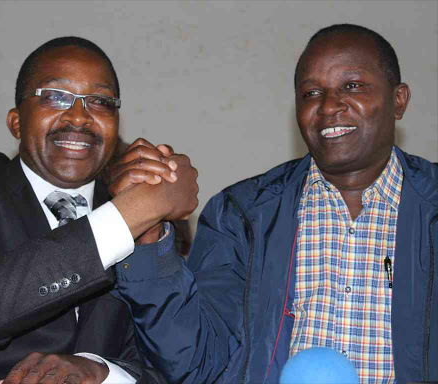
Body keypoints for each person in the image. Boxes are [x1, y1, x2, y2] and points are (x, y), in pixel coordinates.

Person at [111, 24, 438, 383]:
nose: (329, 106)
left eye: (352, 86)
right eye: (311, 92)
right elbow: (196, 361)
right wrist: (149, 237)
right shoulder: (243, 215)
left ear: (399, 99)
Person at [0, 36, 198, 384]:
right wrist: (134, 211)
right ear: (16, 122)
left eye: (100, 101)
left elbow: (175, 367)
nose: (80, 117)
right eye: (56, 96)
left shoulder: (134, 217)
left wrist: (100, 371)